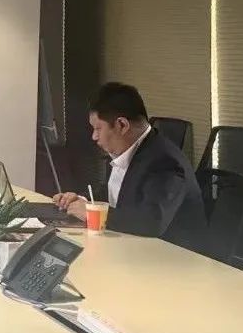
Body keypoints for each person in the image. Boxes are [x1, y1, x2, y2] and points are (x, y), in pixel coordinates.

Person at [53, 82, 206, 249]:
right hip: (131, 246)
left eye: (98, 128)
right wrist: (83, 200)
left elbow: (152, 221)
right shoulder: (127, 149)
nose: (94, 136)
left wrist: (91, 212)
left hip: (171, 256)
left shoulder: (165, 162)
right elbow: (115, 193)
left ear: (122, 125)